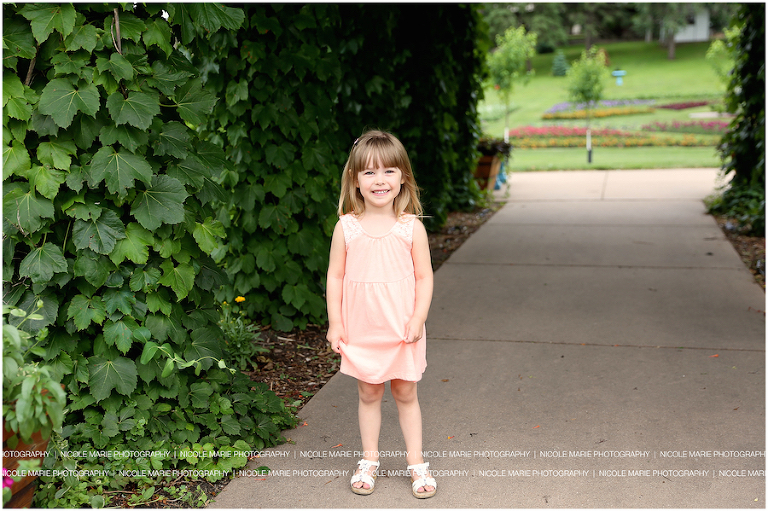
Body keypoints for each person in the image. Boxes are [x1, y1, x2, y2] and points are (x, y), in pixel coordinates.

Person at [326, 130, 436, 498]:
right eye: (369, 173)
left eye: (389, 171)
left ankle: (417, 463)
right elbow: (336, 276)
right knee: (369, 394)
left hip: (402, 328)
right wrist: (336, 323)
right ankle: (369, 459)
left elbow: (424, 277)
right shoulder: (346, 227)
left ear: (403, 176)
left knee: (406, 394)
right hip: (362, 329)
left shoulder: (411, 228)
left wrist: (418, 317)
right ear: (355, 180)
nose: (379, 180)